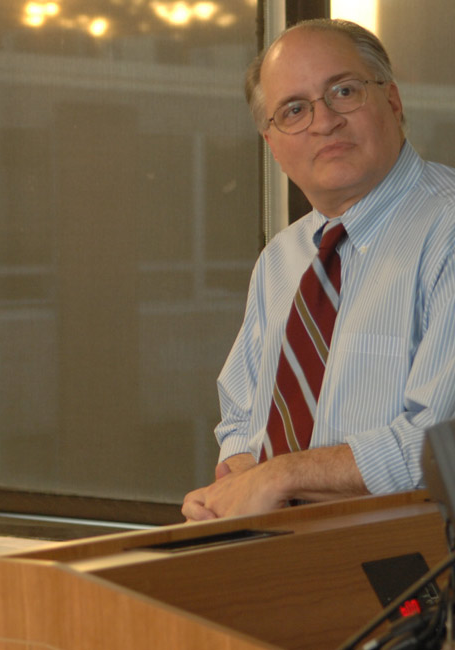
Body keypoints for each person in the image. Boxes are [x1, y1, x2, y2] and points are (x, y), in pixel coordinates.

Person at [183, 19, 455, 521]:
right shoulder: (280, 262)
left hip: (421, 570)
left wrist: (280, 475)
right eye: (293, 110)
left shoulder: (448, 231)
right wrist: (232, 485)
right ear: (272, 143)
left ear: (392, 101)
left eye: (344, 91)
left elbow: (442, 448)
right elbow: (243, 420)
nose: (323, 121)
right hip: (289, 564)